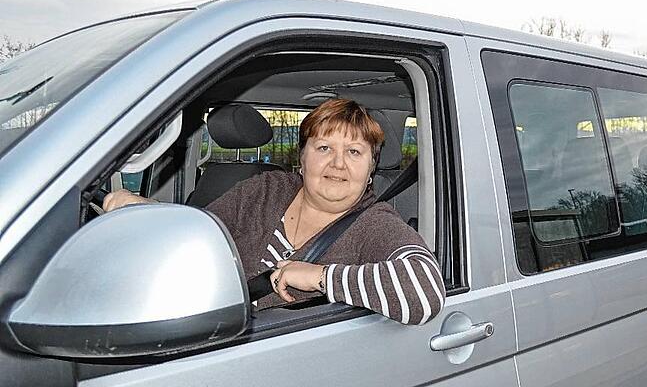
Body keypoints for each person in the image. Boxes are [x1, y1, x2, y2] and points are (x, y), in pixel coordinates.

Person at [104, 98, 445, 325]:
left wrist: (318, 277)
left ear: (371, 167)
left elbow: (425, 292)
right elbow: (204, 231)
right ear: (303, 157)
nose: (338, 163)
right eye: (324, 147)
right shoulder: (267, 189)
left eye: (354, 152)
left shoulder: (374, 222)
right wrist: (148, 210)